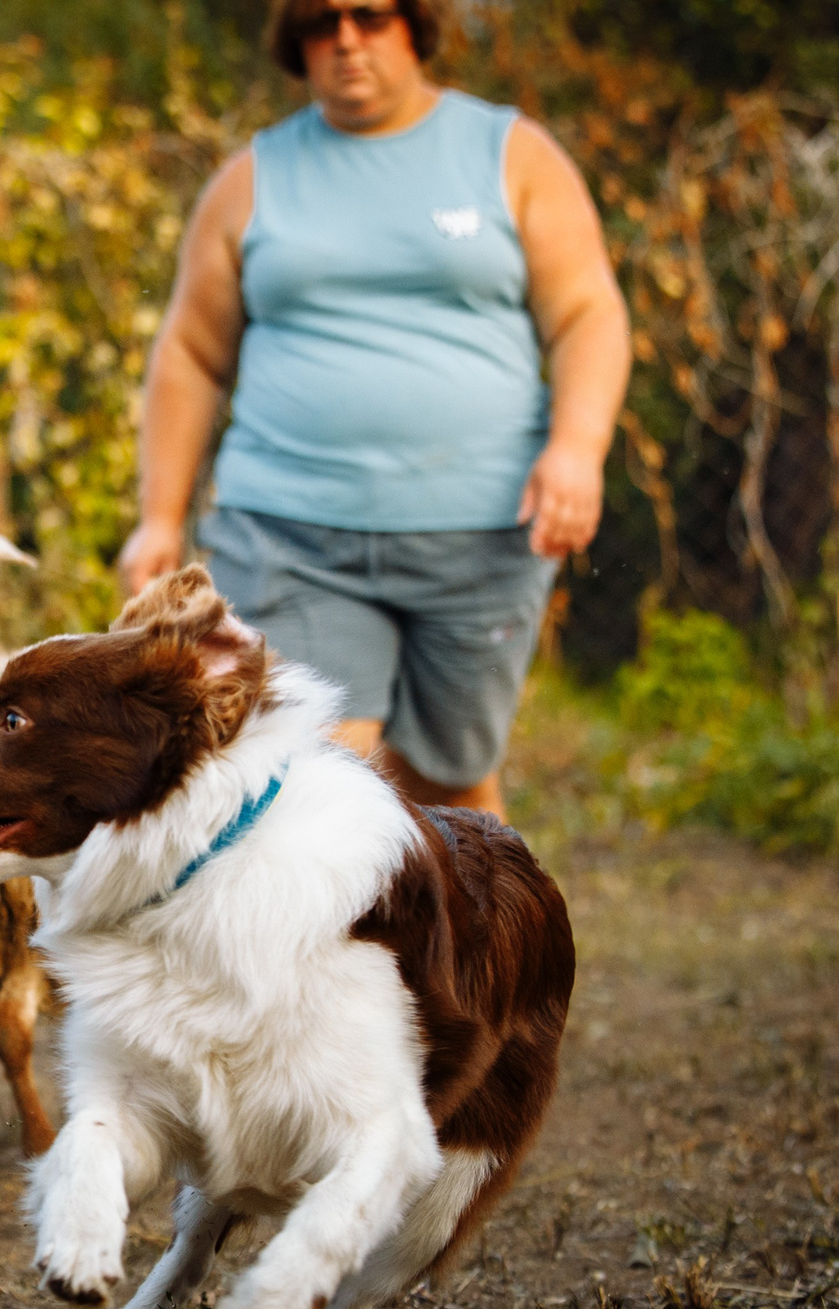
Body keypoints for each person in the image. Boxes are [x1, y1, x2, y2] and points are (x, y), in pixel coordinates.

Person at [116, 0, 629, 818]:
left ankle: (483, 950)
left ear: (415, 25)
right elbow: (189, 353)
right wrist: (158, 517)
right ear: (295, 41)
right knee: (309, 779)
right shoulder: (251, 180)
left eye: (369, 14)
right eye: (321, 22)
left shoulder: (512, 157)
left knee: (450, 783)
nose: (346, 39)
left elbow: (587, 316)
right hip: (291, 533)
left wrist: (578, 445)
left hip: (482, 533)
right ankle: (312, 948)